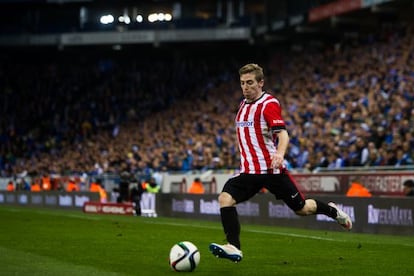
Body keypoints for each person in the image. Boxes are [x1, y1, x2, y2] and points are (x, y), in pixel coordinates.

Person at [209, 63, 352, 263]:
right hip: (249, 172)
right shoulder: (242, 105)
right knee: (225, 198)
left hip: (271, 170)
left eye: (250, 83)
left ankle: (332, 210)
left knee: (302, 209)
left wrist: (280, 154)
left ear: (261, 83)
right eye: (242, 83)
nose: (245, 87)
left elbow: (283, 134)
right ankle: (234, 247)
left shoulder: (268, 104)